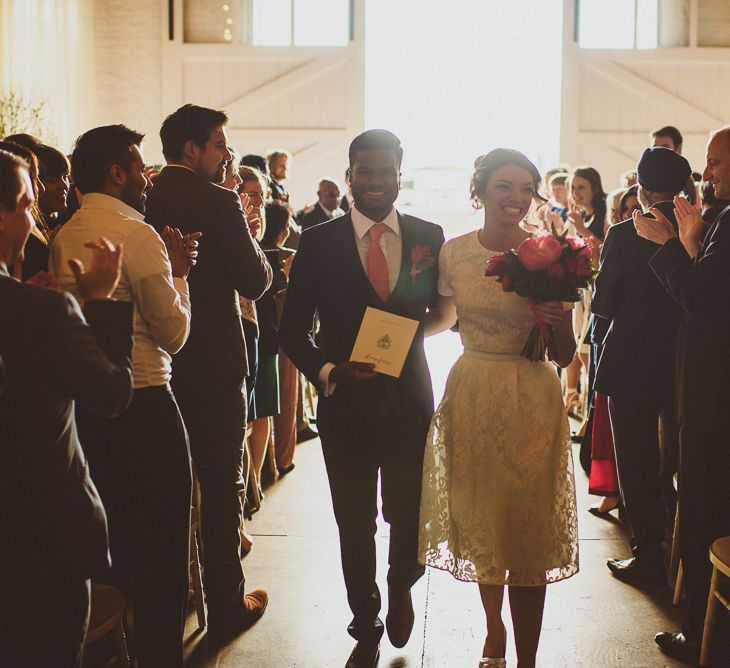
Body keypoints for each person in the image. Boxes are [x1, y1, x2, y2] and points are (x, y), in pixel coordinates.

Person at [279, 129, 445, 668]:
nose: (376, 182)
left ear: (401, 174)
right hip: (345, 406)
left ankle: (401, 587)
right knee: (354, 518)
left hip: (410, 401)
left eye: (386, 172)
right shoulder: (319, 241)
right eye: (365, 172)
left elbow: (439, 312)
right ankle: (364, 612)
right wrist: (329, 370)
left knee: (407, 511)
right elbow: (291, 331)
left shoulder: (428, 236)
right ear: (350, 176)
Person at [419, 149, 578, 668]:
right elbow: (444, 318)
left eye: (525, 188)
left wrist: (554, 318)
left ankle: (528, 656)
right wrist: (383, 337)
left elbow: (565, 354)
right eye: (504, 186)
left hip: (533, 395)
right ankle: (494, 630)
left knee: (528, 525)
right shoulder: (454, 253)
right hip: (472, 390)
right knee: (486, 515)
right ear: (481, 190)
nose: (516, 197)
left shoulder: (554, 253)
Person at [50, 124, 197, 666]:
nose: (147, 178)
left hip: (86, 412)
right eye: (139, 167)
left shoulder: (64, 233)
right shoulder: (138, 235)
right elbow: (174, 336)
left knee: (109, 553)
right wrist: (179, 277)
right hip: (146, 407)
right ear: (117, 172)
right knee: (161, 557)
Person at [0, 149, 134, 667]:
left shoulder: (33, 308)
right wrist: (97, 303)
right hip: (42, 538)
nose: (34, 220)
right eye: (28, 206)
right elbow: (112, 394)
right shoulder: (49, 310)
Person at [145, 104, 273, 638]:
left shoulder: (143, 197)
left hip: (158, 363)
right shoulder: (220, 201)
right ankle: (224, 605)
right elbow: (256, 280)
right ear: (192, 149)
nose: (225, 154)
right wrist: (253, 242)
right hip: (216, 363)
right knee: (221, 488)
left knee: (165, 489)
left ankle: (169, 602)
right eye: (219, 144)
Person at [635, 126, 730, 659]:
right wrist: (694, 242)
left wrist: (670, 244)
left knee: (703, 515)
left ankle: (702, 635)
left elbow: (702, 298)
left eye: (716, 161)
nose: (707, 171)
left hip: (714, 399)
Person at [593, 147, 691, 586]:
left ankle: (649, 554)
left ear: (641, 187)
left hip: (631, 361)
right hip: (683, 364)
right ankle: (687, 557)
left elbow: (605, 304)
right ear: (686, 186)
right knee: (681, 460)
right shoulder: (702, 230)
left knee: (636, 461)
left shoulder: (622, 233)